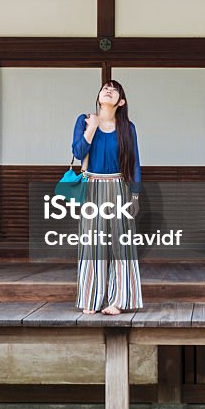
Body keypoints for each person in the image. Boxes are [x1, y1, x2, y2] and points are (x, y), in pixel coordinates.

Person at [71, 80, 143, 316]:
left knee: (120, 246)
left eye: (114, 89)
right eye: (105, 87)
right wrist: (91, 128)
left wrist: (135, 194)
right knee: (92, 244)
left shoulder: (127, 128)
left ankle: (118, 300)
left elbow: (134, 162)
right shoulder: (83, 120)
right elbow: (78, 152)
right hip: (91, 186)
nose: (108, 90)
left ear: (121, 101)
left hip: (119, 187)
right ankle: (91, 299)